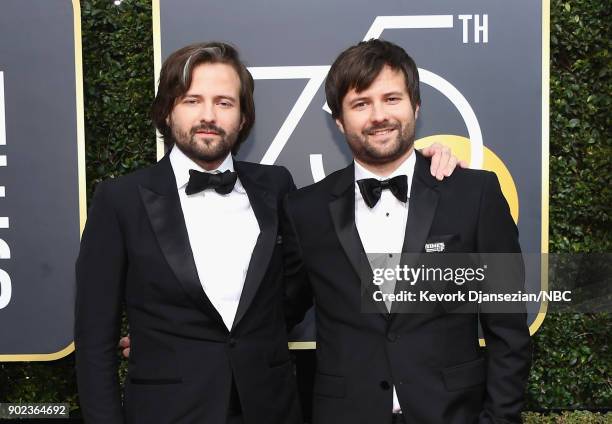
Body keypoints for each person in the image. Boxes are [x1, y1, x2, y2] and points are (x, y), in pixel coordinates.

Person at [76, 41, 460, 424]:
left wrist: (419, 169)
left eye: (225, 102)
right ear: (167, 111)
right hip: (167, 412)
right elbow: (94, 340)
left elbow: (307, 290)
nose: (208, 115)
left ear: (243, 117)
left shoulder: (277, 189)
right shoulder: (120, 200)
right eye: (192, 100)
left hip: (271, 408)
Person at [282, 39, 532, 424]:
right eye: (360, 104)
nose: (379, 115)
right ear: (338, 121)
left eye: (392, 99)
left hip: (453, 414)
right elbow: (275, 314)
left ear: (416, 105)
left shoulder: (474, 195)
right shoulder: (306, 209)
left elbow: (509, 329)